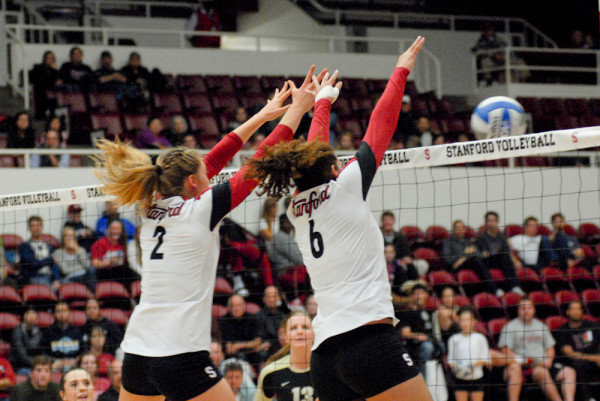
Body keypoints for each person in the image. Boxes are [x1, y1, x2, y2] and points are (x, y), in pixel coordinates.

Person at [94, 66, 321, 401]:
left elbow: (212, 160)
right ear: (192, 183)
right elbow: (258, 163)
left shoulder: (151, 209)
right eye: (204, 175)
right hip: (180, 355)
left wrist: (263, 115)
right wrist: (299, 110)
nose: (210, 176)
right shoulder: (200, 210)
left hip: (138, 355)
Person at [244, 37, 432, 401]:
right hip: (370, 341)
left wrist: (323, 103)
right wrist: (401, 68)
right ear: (333, 169)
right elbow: (382, 124)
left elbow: (314, 153)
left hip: (326, 354)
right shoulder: (344, 187)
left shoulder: (297, 207)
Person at [498, 298, 576, 401]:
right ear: (518, 310)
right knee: (541, 372)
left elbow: (550, 348)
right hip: (524, 367)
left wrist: (549, 360)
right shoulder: (510, 327)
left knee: (569, 372)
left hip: (543, 364)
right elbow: (505, 350)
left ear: (534, 310)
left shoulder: (541, 325)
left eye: (529, 308)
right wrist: (521, 360)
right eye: (523, 308)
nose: (526, 311)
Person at [255, 313, 315, 401]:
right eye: (293, 328)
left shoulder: (327, 369)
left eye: (305, 327)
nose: (300, 332)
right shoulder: (270, 372)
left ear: (314, 333)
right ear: (286, 337)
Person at [555, 301, 600, 401]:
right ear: (567, 312)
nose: (576, 312)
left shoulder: (593, 326)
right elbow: (570, 354)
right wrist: (594, 358)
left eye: (579, 309)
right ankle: (588, 398)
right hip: (576, 363)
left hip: (595, 361)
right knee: (580, 364)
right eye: (573, 309)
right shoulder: (562, 331)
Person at [443, 220, 500, 296]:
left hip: (470, 263)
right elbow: (448, 260)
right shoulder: (448, 242)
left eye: (462, 228)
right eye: (457, 228)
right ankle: (493, 289)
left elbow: (477, 253)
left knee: (488, 258)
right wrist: (465, 254)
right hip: (456, 267)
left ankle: (497, 289)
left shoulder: (468, 242)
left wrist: (481, 254)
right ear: (453, 230)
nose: (460, 230)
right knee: (474, 259)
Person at [475, 211, 524, 295]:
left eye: (494, 220)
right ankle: (498, 289)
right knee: (503, 257)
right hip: (488, 261)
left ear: (497, 222)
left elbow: (508, 251)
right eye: (489, 221)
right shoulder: (481, 237)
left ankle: (514, 287)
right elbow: (481, 253)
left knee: (508, 258)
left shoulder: (502, 237)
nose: (492, 223)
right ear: (486, 223)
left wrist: (516, 261)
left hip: (501, 260)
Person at [447, 308, 489, 401]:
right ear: (458, 321)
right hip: (460, 379)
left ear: (474, 321)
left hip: (476, 378)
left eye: (468, 320)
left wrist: (471, 366)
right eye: (462, 320)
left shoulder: (480, 338)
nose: (465, 323)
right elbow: (450, 360)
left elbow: (486, 359)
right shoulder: (453, 339)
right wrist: (457, 368)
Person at [397, 284, 438, 376]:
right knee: (427, 347)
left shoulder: (428, 312)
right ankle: (422, 378)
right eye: (416, 294)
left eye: (421, 293)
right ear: (411, 296)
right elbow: (405, 333)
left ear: (426, 295)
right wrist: (417, 336)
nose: (419, 296)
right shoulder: (408, 313)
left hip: (431, 341)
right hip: (415, 346)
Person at [90, 219, 139, 287]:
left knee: (128, 271)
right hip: (104, 273)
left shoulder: (122, 244)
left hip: (120, 272)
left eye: (118, 229)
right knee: (125, 270)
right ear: (106, 230)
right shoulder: (100, 243)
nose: (115, 231)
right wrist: (110, 261)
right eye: (113, 228)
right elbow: (95, 264)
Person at [267, 215, 308, 296]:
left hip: (287, 272)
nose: (292, 224)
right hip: (287, 273)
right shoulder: (282, 238)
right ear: (283, 223)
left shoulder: (283, 236)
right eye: (289, 222)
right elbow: (299, 260)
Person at [17, 216, 61, 287]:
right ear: (29, 228)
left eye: (38, 225)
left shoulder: (48, 246)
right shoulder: (24, 246)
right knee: (50, 290)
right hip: (35, 278)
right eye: (33, 226)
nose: (36, 228)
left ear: (42, 227)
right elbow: (32, 264)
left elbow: (54, 265)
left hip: (50, 277)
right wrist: (50, 260)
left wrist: (57, 279)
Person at [219, 295, 263, 365]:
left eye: (239, 305)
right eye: (232, 306)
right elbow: (229, 349)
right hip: (232, 356)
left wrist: (238, 346)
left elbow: (257, 342)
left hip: (251, 354)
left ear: (244, 307)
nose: (236, 309)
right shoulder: (223, 321)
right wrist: (249, 345)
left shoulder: (252, 319)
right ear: (228, 308)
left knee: (262, 354)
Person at [41, 301, 82, 373]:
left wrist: (76, 360)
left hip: (74, 364)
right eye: (58, 311)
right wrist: (57, 362)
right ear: (54, 314)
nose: (62, 314)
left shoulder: (77, 331)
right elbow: (44, 354)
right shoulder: (48, 332)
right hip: (55, 365)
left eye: (64, 311)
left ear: (69, 313)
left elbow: (83, 351)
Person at [256, 286, 288, 359]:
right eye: (268, 297)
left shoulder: (283, 317)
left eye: (274, 296)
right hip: (264, 350)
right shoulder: (258, 317)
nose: (271, 299)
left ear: (279, 298)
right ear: (264, 299)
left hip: (280, 346)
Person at [29, 51, 62, 119]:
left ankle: (53, 114)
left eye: (52, 58)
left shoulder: (54, 69)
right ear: (44, 59)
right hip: (41, 89)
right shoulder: (38, 67)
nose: (50, 60)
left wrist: (54, 70)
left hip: (52, 89)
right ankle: (42, 113)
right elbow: (36, 79)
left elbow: (58, 80)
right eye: (48, 58)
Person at [10, 309, 43, 375]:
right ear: (23, 317)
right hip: (19, 366)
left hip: (36, 366)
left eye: (33, 313)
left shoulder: (39, 332)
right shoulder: (17, 332)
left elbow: (42, 352)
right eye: (28, 313)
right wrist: (37, 363)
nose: (31, 316)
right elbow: (21, 355)